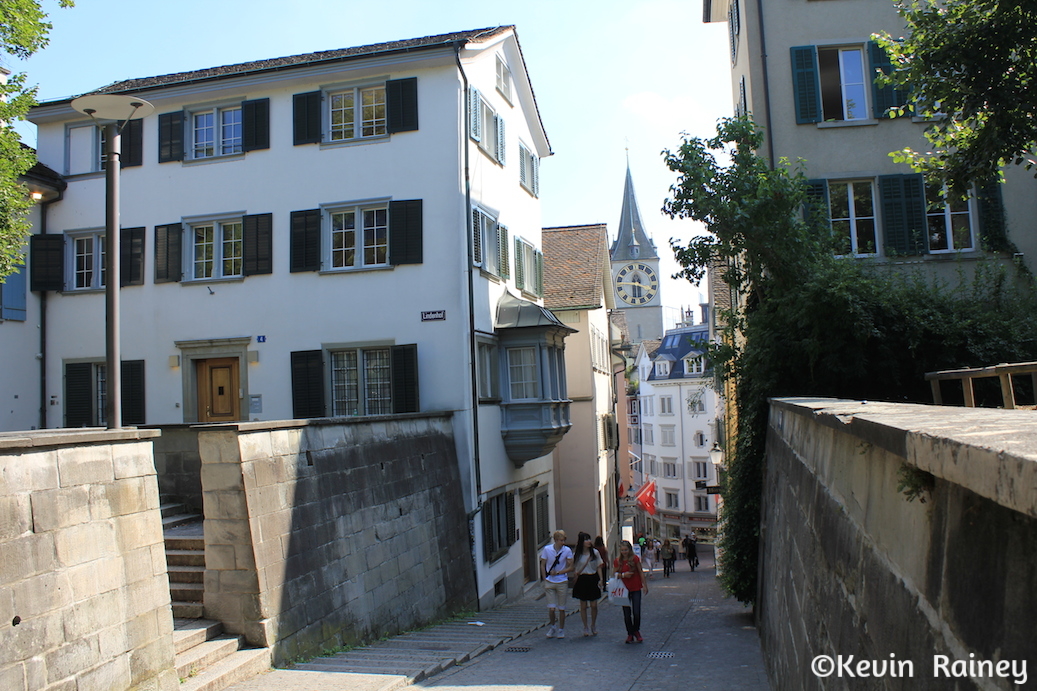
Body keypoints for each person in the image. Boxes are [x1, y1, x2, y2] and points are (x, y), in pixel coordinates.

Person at [540, 530, 573, 638]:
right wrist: (545, 578)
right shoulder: (547, 549)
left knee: (562, 608)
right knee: (551, 608)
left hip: (562, 581)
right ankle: (553, 626)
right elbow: (543, 564)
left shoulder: (567, 550)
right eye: (561, 540)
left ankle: (561, 629)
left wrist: (559, 571)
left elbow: (570, 567)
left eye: (564, 540)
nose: (563, 542)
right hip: (550, 581)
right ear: (555, 540)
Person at [613, 539, 648, 643]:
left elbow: (640, 571)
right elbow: (614, 575)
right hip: (624, 589)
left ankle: (636, 630)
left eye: (626, 549)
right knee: (626, 613)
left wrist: (644, 585)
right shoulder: (617, 561)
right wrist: (623, 575)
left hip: (636, 587)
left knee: (636, 612)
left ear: (629, 549)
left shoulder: (635, 559)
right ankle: (630, 633)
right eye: (622, 550)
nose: (624, 552)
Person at [572, 532, 604, 636]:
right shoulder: (577, 554)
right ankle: (585, 626)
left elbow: (599, 566)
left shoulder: (595, 553)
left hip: (592, 578)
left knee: (594, 605)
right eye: (586, 539)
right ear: (581, 542)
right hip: (582, 579)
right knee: (583, 605)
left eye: (589, 539)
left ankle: (593, 624)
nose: (588, 541)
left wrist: (601, 579)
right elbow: (574, 568)